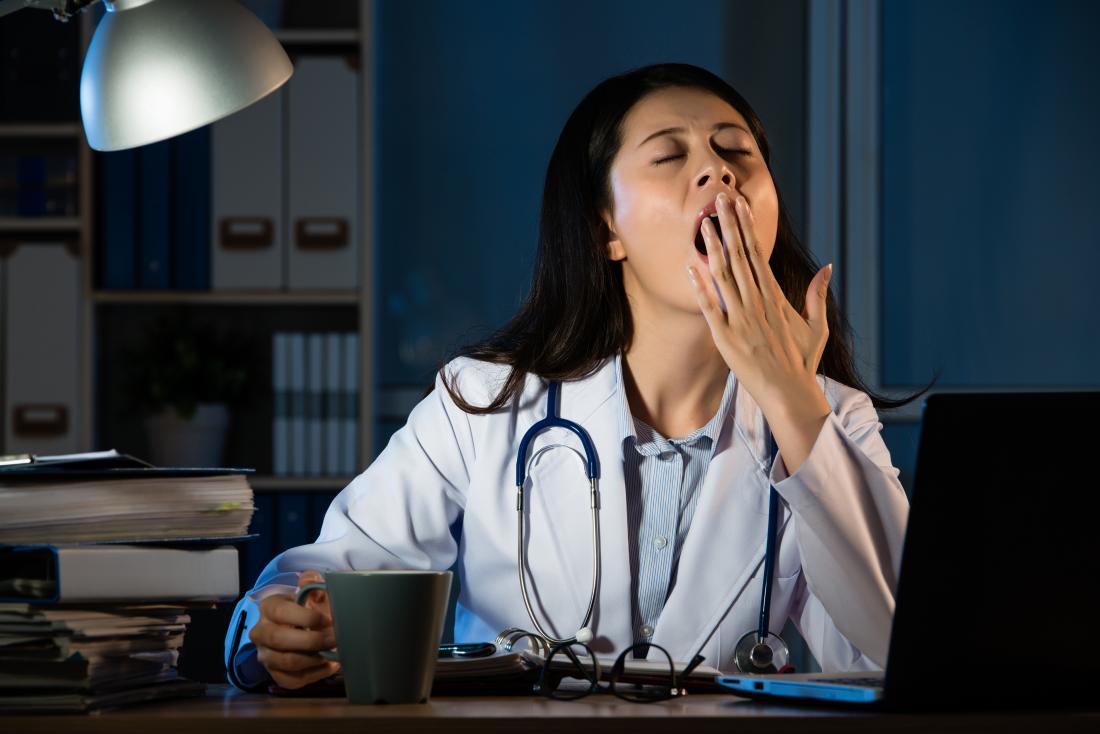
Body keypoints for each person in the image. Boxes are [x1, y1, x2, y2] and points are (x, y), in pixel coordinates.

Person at [225, 62, 932, 691]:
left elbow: (904, 645)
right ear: (605, 231)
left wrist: (789, 397)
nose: (718, 171)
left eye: (736, 150)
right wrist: (278, 629)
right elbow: (318, 575)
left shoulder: (827, 417)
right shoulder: (483, 404)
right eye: (669, 155)